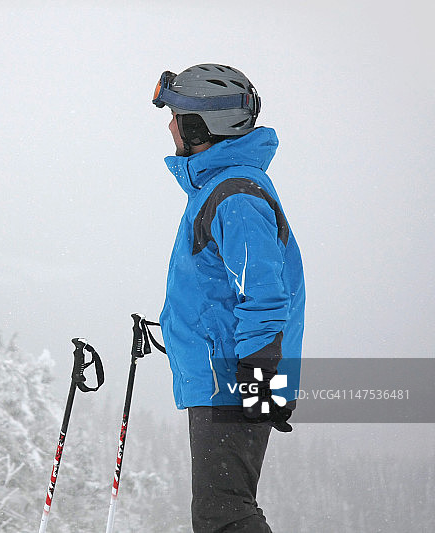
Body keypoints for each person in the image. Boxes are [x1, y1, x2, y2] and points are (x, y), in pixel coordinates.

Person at [152, 64, 305, 532]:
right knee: (221, 512)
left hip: (235, 377)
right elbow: (218, 288)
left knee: (224, 515)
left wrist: (260, 376)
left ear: (202, 127)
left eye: (177, 116)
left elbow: (264, 292)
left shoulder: (235, 195)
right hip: (228, 374)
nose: (170, 126)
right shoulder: (222, 189)